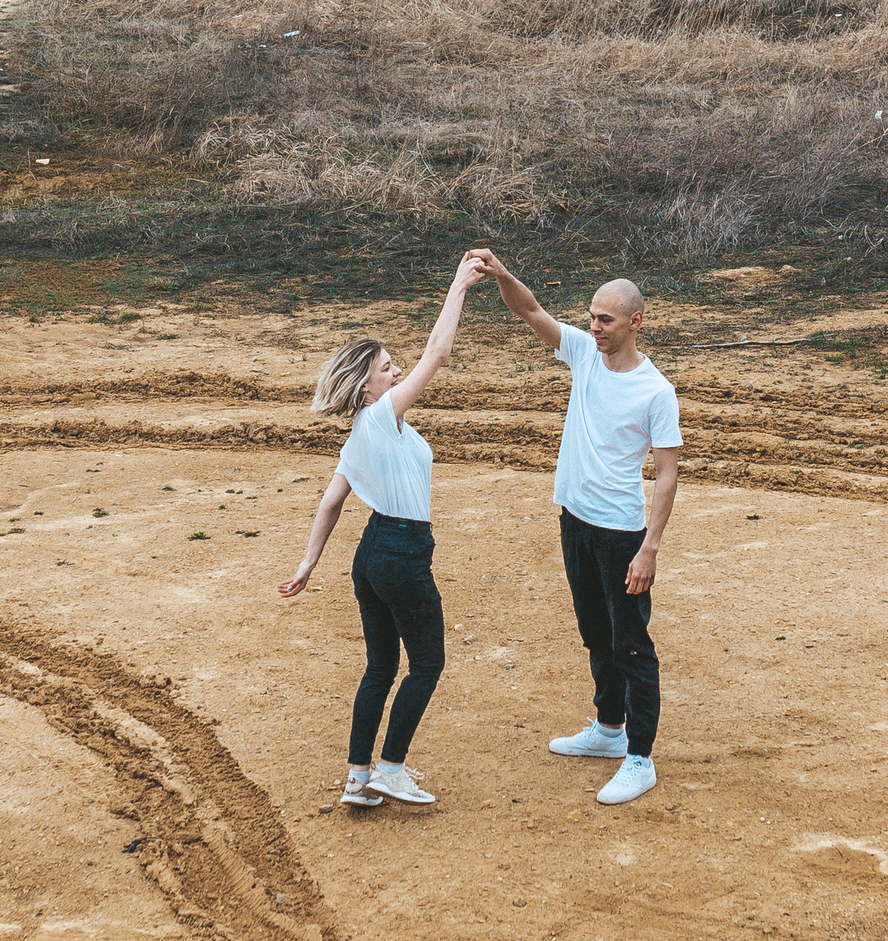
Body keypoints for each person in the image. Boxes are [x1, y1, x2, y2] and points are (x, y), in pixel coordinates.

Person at [279, 252, 493, 810]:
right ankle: (391, 770)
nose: (398, 373)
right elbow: (439, 352)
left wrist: (308, 564)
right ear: (367, 387)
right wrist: (457, 286)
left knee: (380, 667)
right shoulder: (381, 417)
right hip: (400, 553)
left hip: (371, 554)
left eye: (396, 366)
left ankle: (357, 778)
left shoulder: (360, 435)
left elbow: (330, 505)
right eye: (388, 369)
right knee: (426, 664)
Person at [474, 255, 682, 806]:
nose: (594, 327)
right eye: (591, 317)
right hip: (575, 520)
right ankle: (609, 731)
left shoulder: (656, 391)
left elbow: (666, 475)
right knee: (595, 631)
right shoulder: (584, 356)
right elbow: (530, 311)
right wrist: (501, 274)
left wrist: (649, 548)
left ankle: (640, 758)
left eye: (605, 320)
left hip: (620, 532)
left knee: (631, 644)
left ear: (636, 321)